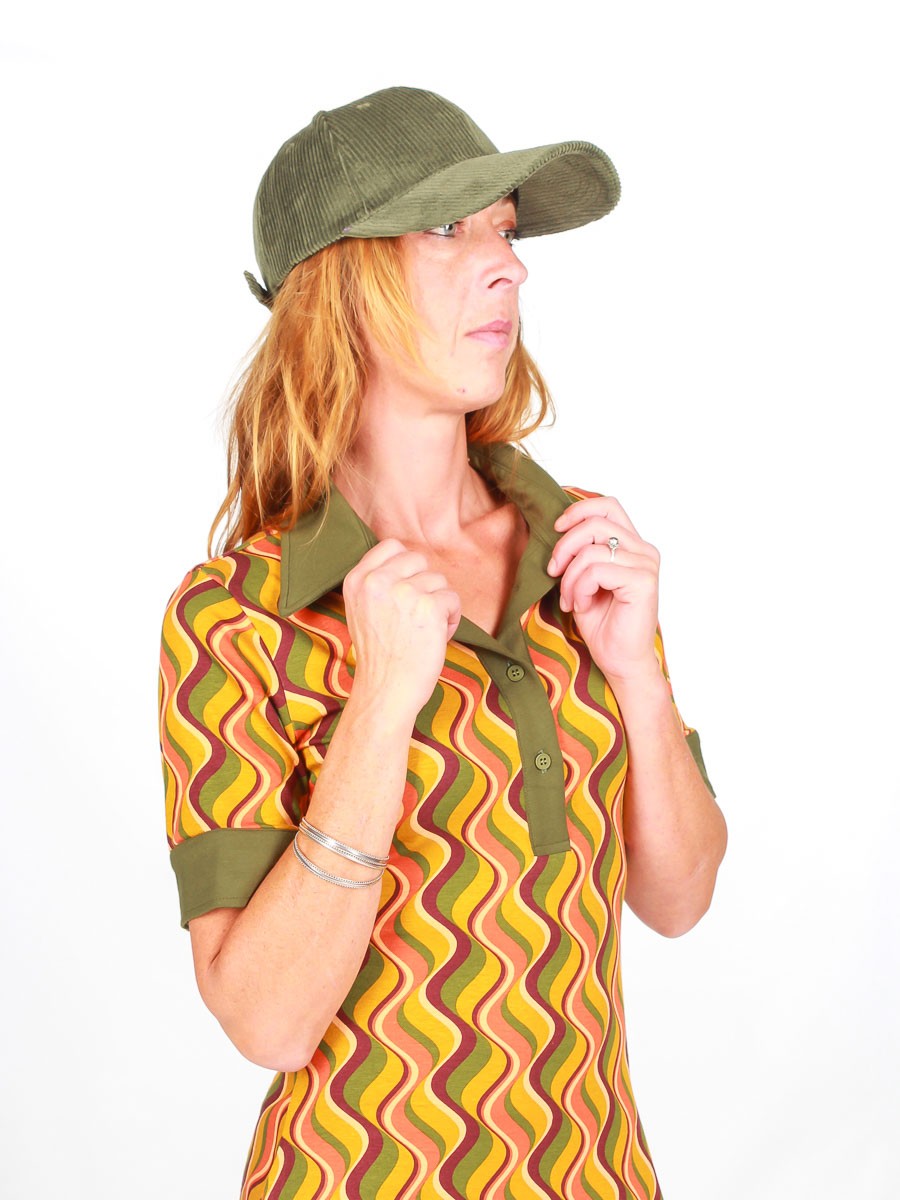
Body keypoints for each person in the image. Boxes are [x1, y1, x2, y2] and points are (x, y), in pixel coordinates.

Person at [159, 86, 727, 1200]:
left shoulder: (580, 548)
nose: (507, 266)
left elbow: (680, 898)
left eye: (505, 231)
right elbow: (269, 1022)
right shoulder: (236, 616)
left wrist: (637, 680)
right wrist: (382, 703)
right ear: (337, 282)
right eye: (449, 228)